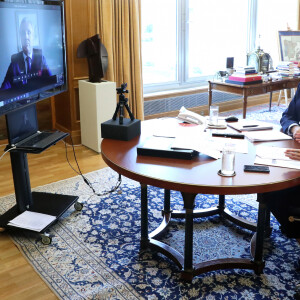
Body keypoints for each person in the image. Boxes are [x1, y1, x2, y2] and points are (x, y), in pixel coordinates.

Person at [1, 17, 51, 90]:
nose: (26, 37)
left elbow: (51, 81)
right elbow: (5, 86)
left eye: (29, 32)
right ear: (20, 37)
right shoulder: (14, 61)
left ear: (33, 35)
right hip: (20, 100)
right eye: (23, 33)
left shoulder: (41, 58)